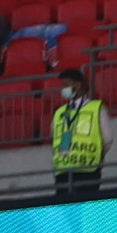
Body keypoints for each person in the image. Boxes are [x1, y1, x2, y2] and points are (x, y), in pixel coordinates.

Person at [47, 69, 103, 199]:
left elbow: (107, 140)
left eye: (66, 85)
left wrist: (93, 155)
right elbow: (55, 138)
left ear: (78, 85)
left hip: (87, 170)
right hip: (64, 172)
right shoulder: (61, 112)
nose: (64, 89)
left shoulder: (95, 108)